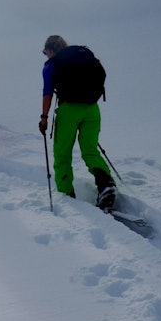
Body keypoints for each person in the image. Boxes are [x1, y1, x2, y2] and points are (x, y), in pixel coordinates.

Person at [39, 35, 117, 209]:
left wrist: (44, 117)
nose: (46, 55)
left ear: (50, 50)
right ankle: (106, 185)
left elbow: (47, 93)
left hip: (69, 111)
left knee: (62, 155)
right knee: (90, 150)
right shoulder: (82, 57)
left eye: (45, 52)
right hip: (92, 109)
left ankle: (66, 196)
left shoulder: (51, 66)